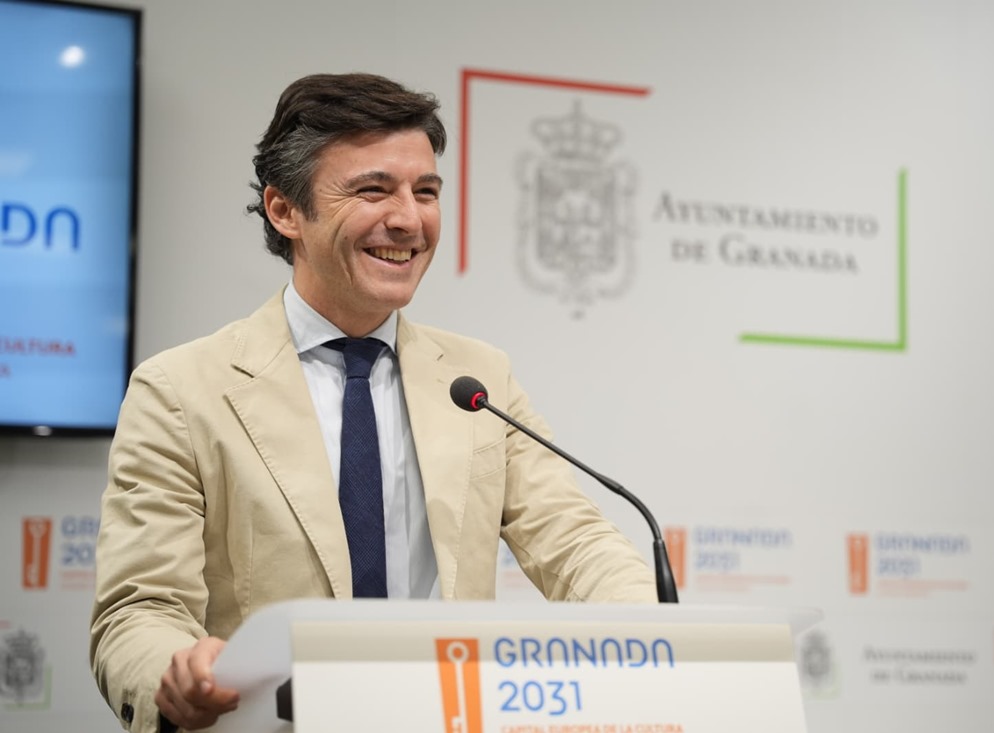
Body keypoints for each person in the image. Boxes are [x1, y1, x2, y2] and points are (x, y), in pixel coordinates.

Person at [90, 72, 656, 733]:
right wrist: (176, 671)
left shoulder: (479, 379)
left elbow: (575, 542)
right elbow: (139, 610)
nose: (409, 219)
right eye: (373, 190)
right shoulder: (181, 390)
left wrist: (657, 634)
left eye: (426, 192)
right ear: (284, 210)